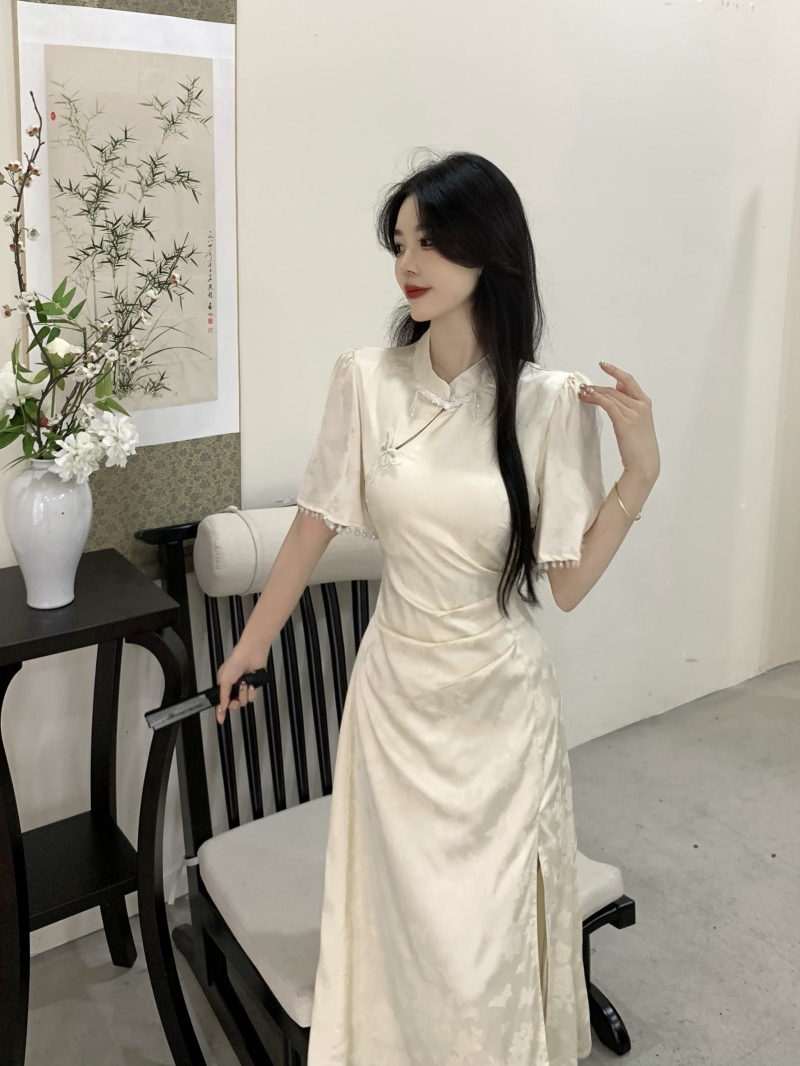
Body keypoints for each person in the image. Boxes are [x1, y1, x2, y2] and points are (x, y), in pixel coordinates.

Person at [215, 152, 660, 1066]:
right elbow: (314, 523)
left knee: (488, 941)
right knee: (402, 930)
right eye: (400, 243)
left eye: (430, 242)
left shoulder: (549, 403)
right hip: (395, 703)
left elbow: (567, 585)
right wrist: (252, 645)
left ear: (491, 251)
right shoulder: (366, 380)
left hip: (501, 713)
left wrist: (641, 475)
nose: (408, 264)